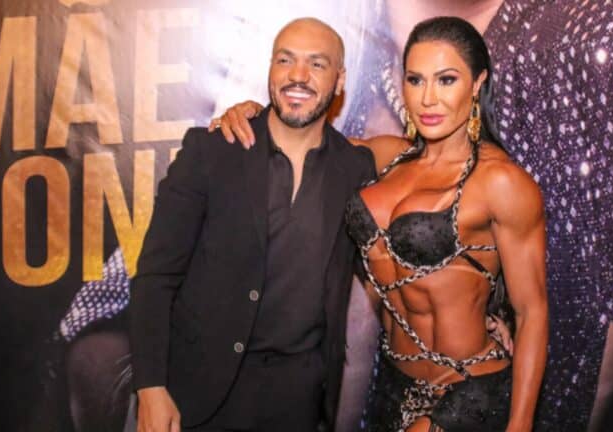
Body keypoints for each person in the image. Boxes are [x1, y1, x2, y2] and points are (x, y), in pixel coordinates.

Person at [213, 16, 548, 432]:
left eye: (446, 80)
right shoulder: (389, 157)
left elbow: (532, 311)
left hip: (467, 389)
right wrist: (250, 114)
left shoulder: (500, 181)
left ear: (477, 83)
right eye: (415, 80)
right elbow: (299, 139)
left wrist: (520, 424)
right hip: (392, 385)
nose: (428, 98)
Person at [129, 17, 376, 432]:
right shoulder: (212, 152)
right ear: (270, 68)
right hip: (199, 396)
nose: (298, 75)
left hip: (300, 404)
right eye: (285, 60)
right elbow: (156, 275)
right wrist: (151, 387)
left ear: (340, 80)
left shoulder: (357, 169)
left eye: (317, 64)